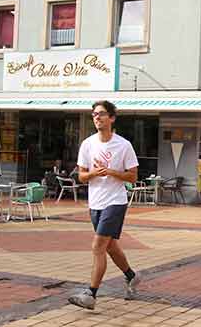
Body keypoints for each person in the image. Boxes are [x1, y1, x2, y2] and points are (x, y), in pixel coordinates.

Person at [68, 101, 140, 310]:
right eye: (94, 114)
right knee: (109, 246)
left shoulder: (123, 145)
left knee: (98, 246)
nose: (97, 117)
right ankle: (131, 276)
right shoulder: (87, 144)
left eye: (101, 114)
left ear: (112, 118)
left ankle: (91, 294)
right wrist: (93, 174)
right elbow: (81, 176)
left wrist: (110, 172)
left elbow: (133, 177)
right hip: (95, 203)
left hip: (115, 202)